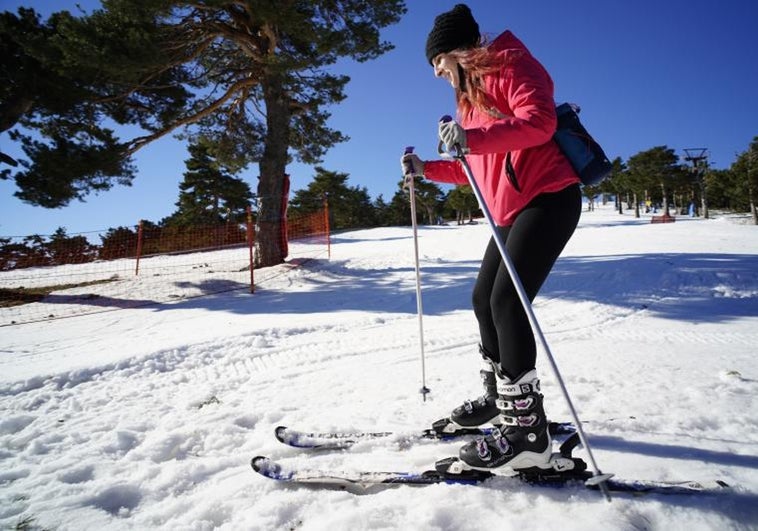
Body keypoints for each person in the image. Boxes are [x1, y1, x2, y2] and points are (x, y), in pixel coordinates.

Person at [401, 4, 582, 473]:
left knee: (507, 302)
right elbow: (474, 166)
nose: (438, 73)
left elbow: (540, 122)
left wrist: (471, 138)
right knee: (483, 298)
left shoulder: (512, 64)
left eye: (439, 63)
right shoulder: (469, 98)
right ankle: (500, 399)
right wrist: (428, 168)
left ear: (458, 52)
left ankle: (527, 433)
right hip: (508, 210)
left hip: (549, 197)